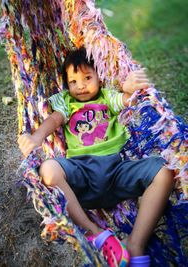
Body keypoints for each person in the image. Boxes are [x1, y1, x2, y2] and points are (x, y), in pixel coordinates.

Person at [18, 47, 174, 267]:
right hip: (80, 175)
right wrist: (36, 138)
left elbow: (129, 101)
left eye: (87, 78)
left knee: (165, 171)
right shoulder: (66, 102)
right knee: (48, 171)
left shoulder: (107, 96)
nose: (80, 86)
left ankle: (135, 244)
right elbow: (53, 120)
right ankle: (98, 234)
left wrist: (127, 88)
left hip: (117, 171)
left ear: (100, 77)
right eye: (73, 81)